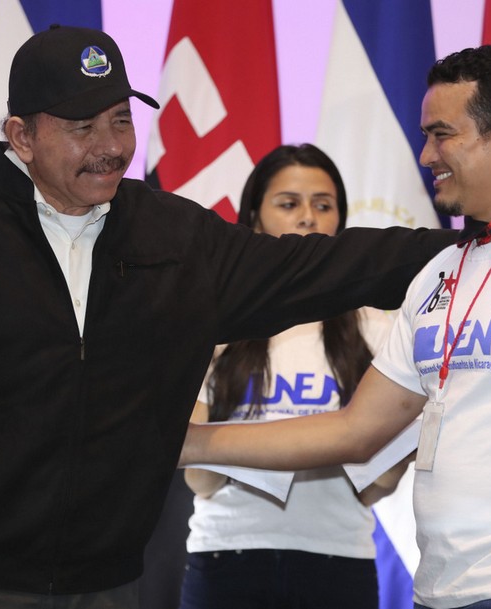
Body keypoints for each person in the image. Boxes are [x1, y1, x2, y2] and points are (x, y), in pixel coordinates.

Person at [0, 25, 457, 608]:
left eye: (121, 120)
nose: (111, 146)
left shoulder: (174, 235)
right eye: (83, 127)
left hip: (108, 586)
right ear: (22, 136)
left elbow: (314, 268)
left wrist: (466, 248)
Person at [181, 45, 491, 609]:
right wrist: (184, 442)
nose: (427, 155)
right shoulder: (440, 270)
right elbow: (355, 430)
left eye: (441, 135)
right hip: (438, 590)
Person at [180, 144, 413, 609]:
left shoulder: (378, 328)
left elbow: (377, 486)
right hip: (225, 554)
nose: (308, 217)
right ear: (254, 218)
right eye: (289, 204)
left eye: (323, 205)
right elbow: (200, 481)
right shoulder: (213, 325)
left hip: (339, 559)